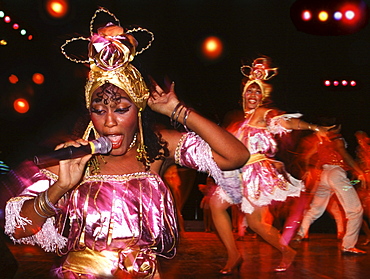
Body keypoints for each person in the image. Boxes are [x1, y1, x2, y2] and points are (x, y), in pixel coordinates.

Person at [4, 8, 249, 279]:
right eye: (99, 110)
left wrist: (177, 110)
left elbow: (235, 156)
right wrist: (61, 186)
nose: (109, 122)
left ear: (139, 108)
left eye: (121, 109)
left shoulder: (157, 147)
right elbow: (18, 228)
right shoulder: (77, 158)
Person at [209, 57, 330, 274]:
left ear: (263, 96)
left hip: (254, 175)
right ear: (243, 93)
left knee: (256, 224)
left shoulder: (264, 114)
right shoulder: (240, 122)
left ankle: (287, 251)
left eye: (258, 92)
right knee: (215, 206)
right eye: (250, 91)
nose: (253, 95)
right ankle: (234, 255)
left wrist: (313, 127)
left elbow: (287, 122)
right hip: (235, 173)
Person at [294, 120, 366, 255]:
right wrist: (359, 171)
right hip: (336, 174)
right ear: (338, 126)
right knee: (355, 210)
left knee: (315, 208)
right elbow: (344, 155)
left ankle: (300, 234)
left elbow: (307, 156)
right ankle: (348, 245)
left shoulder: (320, 140)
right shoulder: (337, 139)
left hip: (324, 175)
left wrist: (308, 170)